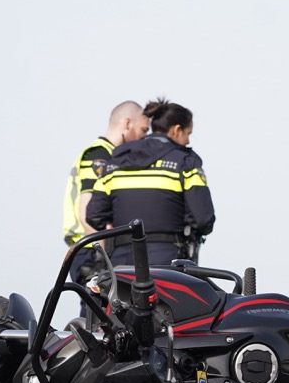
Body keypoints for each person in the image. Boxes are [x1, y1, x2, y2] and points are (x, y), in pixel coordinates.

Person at [86, 98, 215, 267]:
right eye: (188, 134)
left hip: (121, 264)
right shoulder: (186, 163)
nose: (188, 141)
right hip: (169, 263)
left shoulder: (114, 161)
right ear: (177, 130)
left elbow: (94, 215)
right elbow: (202, 219)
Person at [62, 101, 150, 283]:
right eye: (143, 130)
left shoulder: (111, 156)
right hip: (90, 250)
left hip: (94, 248)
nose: (144, 138)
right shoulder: (99, 156)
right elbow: (87, 214)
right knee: (94, 310)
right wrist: (102, 259)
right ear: (127, 123)